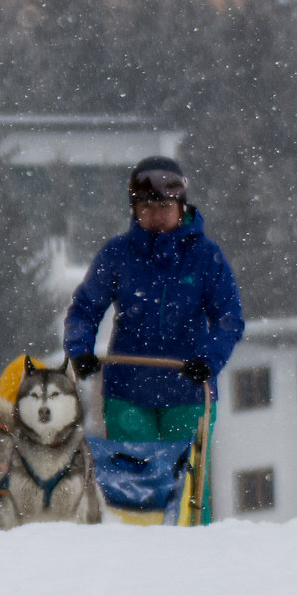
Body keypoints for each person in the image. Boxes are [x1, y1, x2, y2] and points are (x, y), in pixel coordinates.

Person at [63, 156, 245, 443]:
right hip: (127, 393)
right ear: (134, 210)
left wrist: (209, 360)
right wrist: (80, 348)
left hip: (189, 390)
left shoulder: (206, 257)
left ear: (181, 207)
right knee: (130, 480)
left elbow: (229, 319)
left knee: (185, 479)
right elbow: (85, 309)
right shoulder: (117, 255)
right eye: (146, 207)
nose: (156, 216)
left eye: (164, 207)